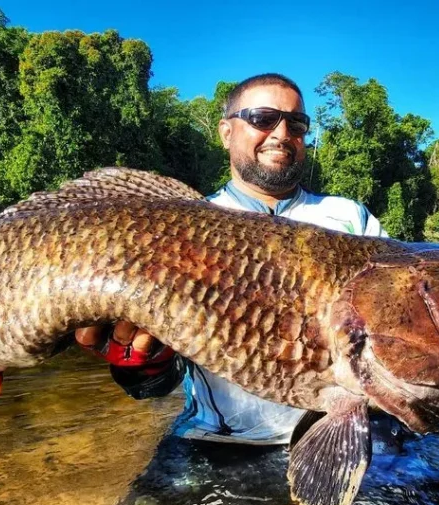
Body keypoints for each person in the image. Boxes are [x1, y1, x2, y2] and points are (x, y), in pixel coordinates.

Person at [74, 72, 387, 445]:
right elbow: (153, 388)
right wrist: (143, 365)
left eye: (296, 123)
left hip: (345, 434)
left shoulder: (352, 218)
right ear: (225, 132)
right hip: (218, 442)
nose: (282, 133)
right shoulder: (177, 223)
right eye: (263, 118)